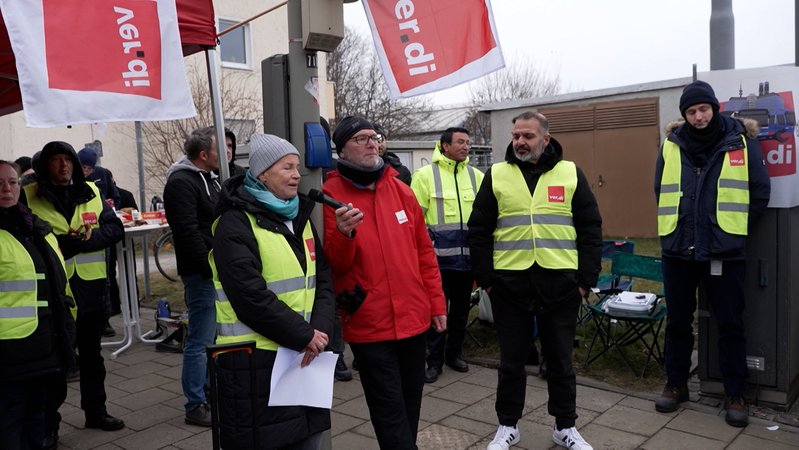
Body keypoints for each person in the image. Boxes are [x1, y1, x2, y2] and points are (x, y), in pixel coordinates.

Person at [469, 111, 602, 450]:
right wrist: (486, 279)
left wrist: (585, 280)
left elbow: (590, 228)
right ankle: (507, 426)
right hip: (509, 285)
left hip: (560, 284)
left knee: (560, 361)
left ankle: (565, 427)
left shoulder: (570, 173)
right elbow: (480, 230)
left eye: (528, 136)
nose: (520, 142)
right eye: (516, 136)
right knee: (511, 362)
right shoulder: (497, 174)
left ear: (546, 137)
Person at [323, 116, 447, 449]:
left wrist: (436, 304)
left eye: (373, 137)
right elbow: (334, 262)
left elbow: (424, 254)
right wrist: (345, 233)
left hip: (414, 319)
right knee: (388, 408)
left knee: (410, 402)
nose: (371, 143)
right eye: (360, 139)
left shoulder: (401, 191)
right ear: (343, 150)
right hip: (369, 321)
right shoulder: (329, 194)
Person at [653, 80, 770, 427]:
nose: (698, 117)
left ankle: (735, 393)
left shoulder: (741, 141)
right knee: (677, 322)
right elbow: (660, 189)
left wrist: (733, 228)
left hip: (725, 249)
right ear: (684, 115)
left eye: (703, 109)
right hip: (678, 249)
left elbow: (759, 191)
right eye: (691, 111)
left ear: (714, 109)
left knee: (730, 323)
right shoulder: (671, 145)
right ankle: (676, 385)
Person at [211, 133, 335, 449]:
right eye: (287, 167)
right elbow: (248, 296)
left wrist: (317, 333)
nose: (296, 174)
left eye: (296, 167)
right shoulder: (234, 223)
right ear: (262, 173)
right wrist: (305, 336)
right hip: (256, 362)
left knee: (309, 438)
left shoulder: (301, 216)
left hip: (305, 356)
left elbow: (321, 278)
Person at [22, 141, 125, 432]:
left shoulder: (91, 190)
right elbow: (25, 235)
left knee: (92, 358)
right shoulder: (28, 195)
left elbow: (114, 228)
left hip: (90, 289)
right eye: (56, 160)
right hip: (55, 292)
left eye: (67, 159)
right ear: (45, 165)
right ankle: (49, 425)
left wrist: (88, 241)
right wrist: (61, 244)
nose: (64, 165)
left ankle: (96, 412)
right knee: (55, 363)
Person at [0, 160, 75, 450]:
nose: (7, 188)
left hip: (45, 347)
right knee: (9, 426)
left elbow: (58, 285)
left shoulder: (35, 228)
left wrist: (68, 329)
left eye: (12, 182)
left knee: (36, 420)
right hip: (9, 354)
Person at [411, 127, 484, 383]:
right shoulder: (424, 176)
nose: (466, 146)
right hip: (436, 262)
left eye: (468, 142)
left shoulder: (477, 176)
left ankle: (454, 354)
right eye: (460, 142)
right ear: (444, 146)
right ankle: (433, 360)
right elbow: (414, 220)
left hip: (466, 261)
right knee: (437, 311)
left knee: (461, 311)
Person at [163, 126, 222, 427]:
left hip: (215, 269)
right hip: (202, 273)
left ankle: (210, 394)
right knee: (199, 338)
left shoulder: (209, 179)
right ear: (203, 154)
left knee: (211, 335)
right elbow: (187, 232)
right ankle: (195, 404)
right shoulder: (182, 182)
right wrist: (208, 266)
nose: (224, 152)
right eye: (219, 147)